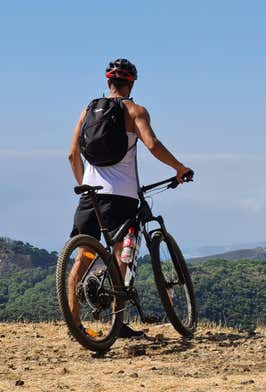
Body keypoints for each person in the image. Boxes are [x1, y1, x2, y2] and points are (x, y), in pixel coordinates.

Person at [67, 58, 193, 338]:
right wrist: (179, 168)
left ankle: (74, 325)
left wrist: (86, 185)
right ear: (132, 82)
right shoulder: (135, 110)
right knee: (121, 257)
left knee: (81, 259)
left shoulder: (88, 111)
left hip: (89, 198)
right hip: (121, 199)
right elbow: (153, 145)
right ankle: (117, 323)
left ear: (108, 82)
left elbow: (72, 155)